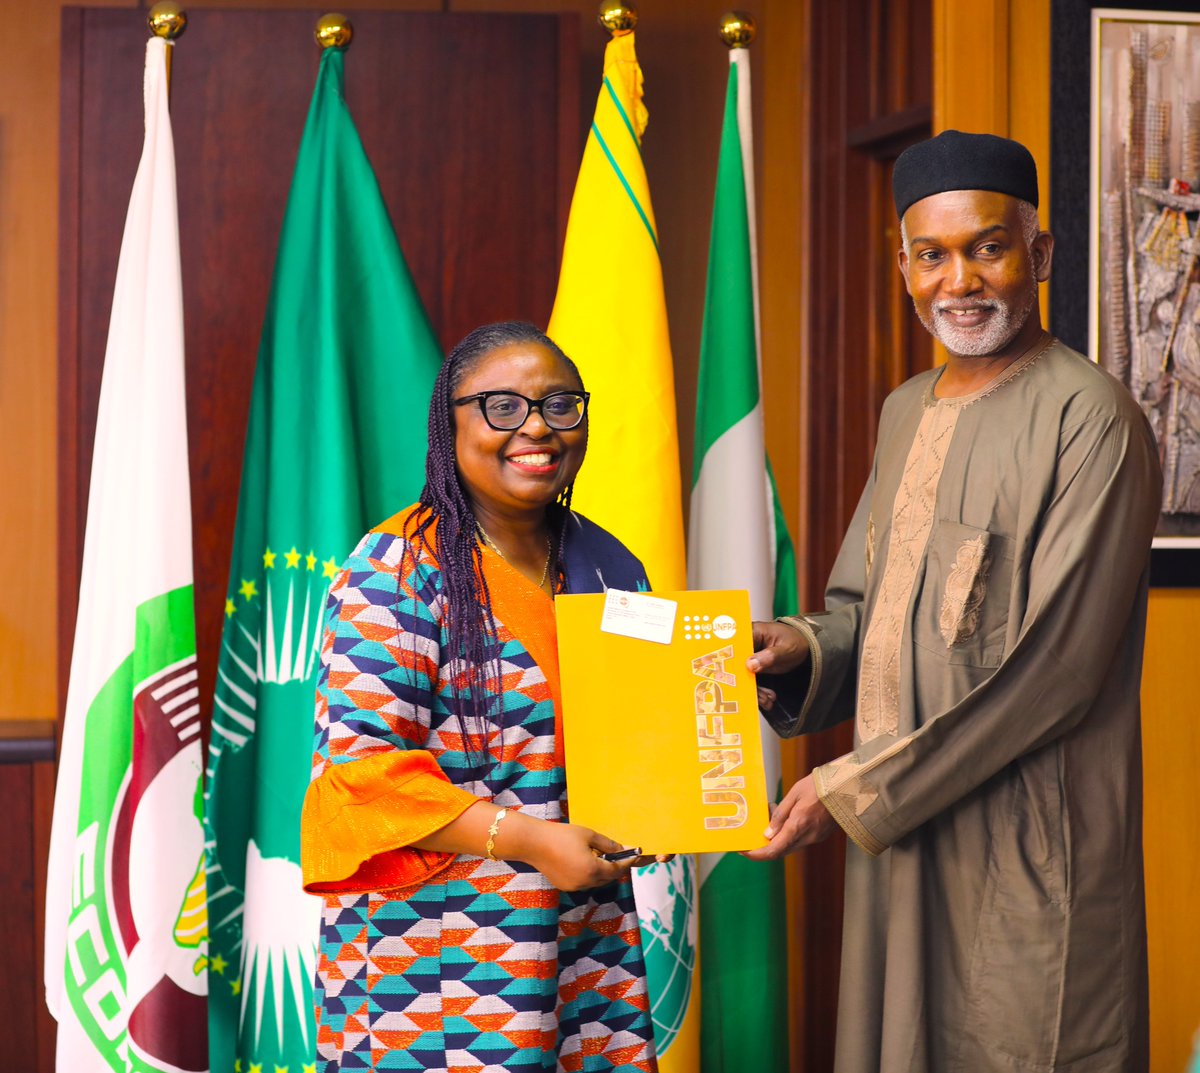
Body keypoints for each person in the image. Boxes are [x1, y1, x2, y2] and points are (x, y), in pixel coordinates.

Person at [747, 131, 1162, 1073]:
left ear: (1040, 256)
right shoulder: (907, 410)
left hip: (1025, 851)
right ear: (903, 266)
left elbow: (1055, 671)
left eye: (988, 247)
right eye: (931, 255)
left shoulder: (1091, 417)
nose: (959, 281)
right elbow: (863, 607)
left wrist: (852, 788)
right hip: (898, 846)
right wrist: (798, 648)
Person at [300, 321, 659, 1072]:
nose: (535, 426)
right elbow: (361, 779)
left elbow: (645, 738)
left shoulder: (608, 564)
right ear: (449, 422)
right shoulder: (398, 569)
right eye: (501, 406)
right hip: (438, 970)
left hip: (586, 948)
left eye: (561, 404)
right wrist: (529, 840)